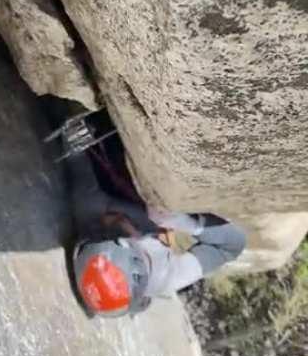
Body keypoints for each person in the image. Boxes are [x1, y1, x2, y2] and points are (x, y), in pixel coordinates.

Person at [62, 118, 246, 319]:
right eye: (114, 227)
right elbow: (233, 245)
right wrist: (183, 222)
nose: (106, 221)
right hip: (153, 216)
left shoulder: (91, 209)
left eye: (104, 228)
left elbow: (75, 155)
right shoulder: (165, 276)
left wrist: (75, 135)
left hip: (117, 175)